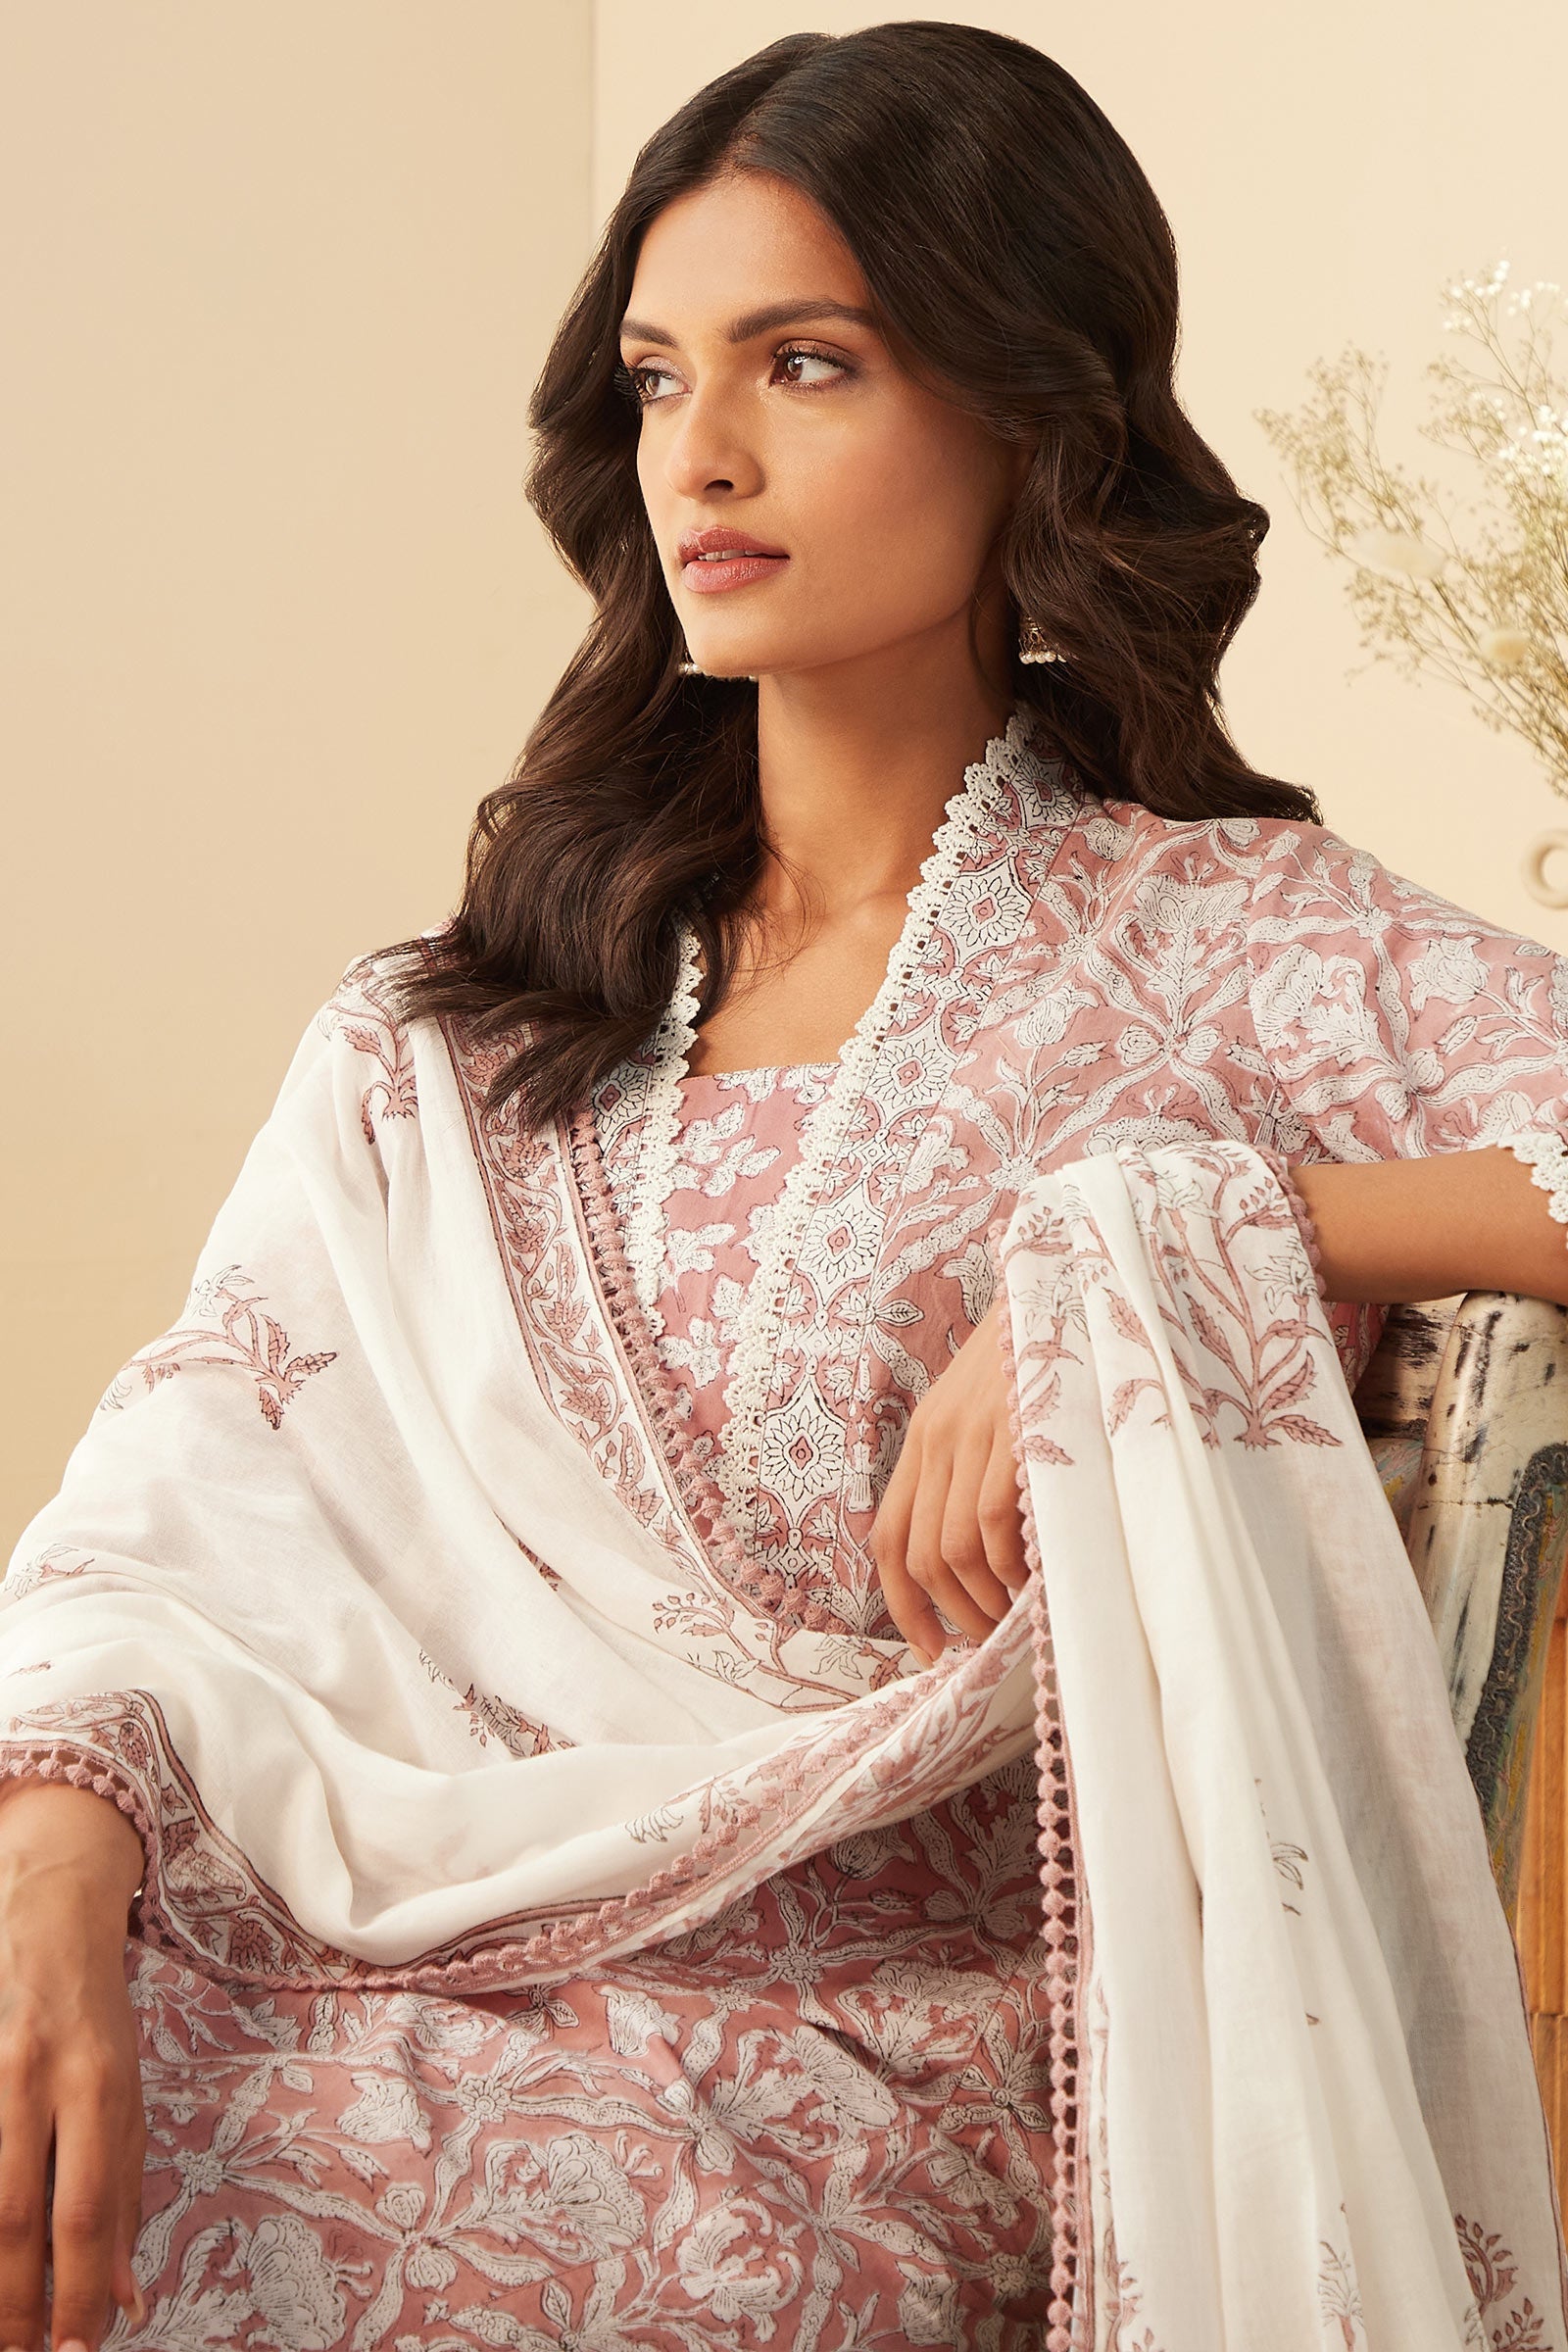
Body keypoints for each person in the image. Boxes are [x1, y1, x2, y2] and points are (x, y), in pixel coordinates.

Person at [3, 22, 1567, 2352]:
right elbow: (184, 1505)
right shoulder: (463, 1024)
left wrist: (1182, 1242)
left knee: (217, 2210)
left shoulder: (1225, 942)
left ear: (1027, 412)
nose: (699, 456)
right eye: (656, 379)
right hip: (393, 1953)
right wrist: (51, 1837)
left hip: (881, 2065)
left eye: (803, 364)